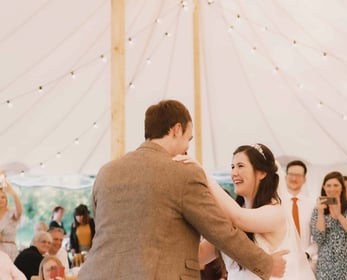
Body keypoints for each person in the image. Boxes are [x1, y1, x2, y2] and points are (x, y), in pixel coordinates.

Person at [78, 99, 287, 280]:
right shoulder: (182, 173)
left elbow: (105, 228)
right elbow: (220, 231)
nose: (188, 148)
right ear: (176, 129)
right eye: (189, 138)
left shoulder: (106, 173)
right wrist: (266, 264)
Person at [178, 144, 315, 279]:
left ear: (262, 173)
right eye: (232, 167)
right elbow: (200, 255)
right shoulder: (231, 219)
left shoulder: (275, 213)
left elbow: (239, 218)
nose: (233, 173)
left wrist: (205, 177)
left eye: (240, 166)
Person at [311, 171, 347, 280]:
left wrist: (339, 215)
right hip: (326, 266)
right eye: (328, 185)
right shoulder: (318, 209)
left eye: (336, 185)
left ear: (342, 188)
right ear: (324, 187)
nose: (332, 189)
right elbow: (318, 238)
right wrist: (321, 213)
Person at [284, 160, 317, 267]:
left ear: (304, 179)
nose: (294, 178)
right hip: (282, 262)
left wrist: (308, 253)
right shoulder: (276, 203)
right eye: (291, 174)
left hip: (305, 263)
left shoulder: (313, 205)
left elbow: (318, 237)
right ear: (285, 177)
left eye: (298, 175)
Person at [0, 174, 23, 261]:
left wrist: (13, 194)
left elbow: (19, 212)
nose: (1, 199)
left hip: (9, 251)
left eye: (3, 197)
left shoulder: (11, 214)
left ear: (6, 199)